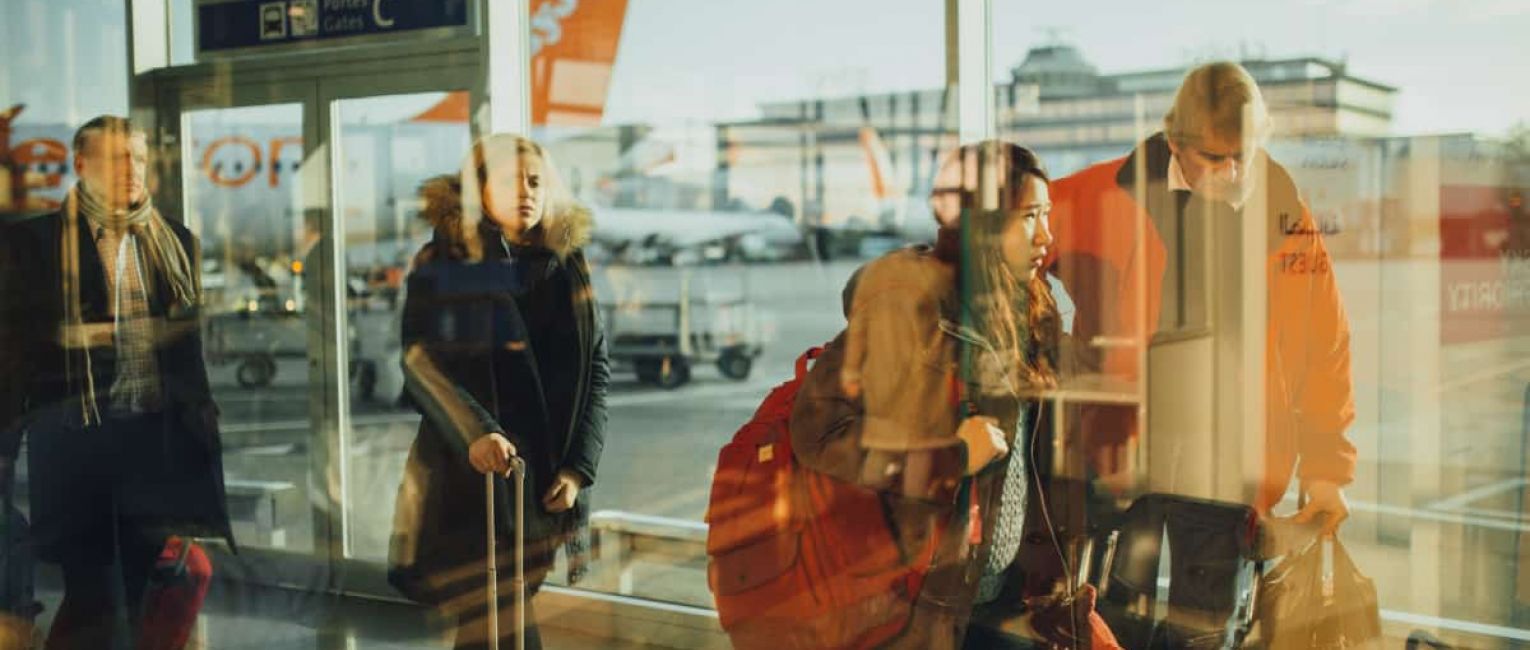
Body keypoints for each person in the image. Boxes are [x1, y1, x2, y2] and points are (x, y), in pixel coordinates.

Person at [1046, 61, 1356, 531]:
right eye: (1215, 157)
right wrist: (1039, 332)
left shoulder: (1286, 216)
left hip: (1233, 464)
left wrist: (1326, 471)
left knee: (1210, 607)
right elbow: (1004, 236)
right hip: (1117, 456)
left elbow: (1324, 349)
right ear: (1175, 142)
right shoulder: (1102, 196)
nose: (1232, 171)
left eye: (1243, 155)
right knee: (1110, 604)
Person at [790, 141, 1061, 649]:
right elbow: (818, 433)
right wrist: (951, 456)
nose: (1047, 235)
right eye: (1029, 217)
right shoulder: (910, 307)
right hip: (923, 606)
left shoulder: (1031, 309)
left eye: (1047, 214)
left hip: (1008, 598)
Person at [0, 115, 232, 649]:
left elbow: (187, 354)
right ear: (82, 166)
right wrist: (71, 339)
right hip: (75, 445)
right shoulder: (35, 243)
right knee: (95, 596)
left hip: (154, 448)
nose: (132, 169)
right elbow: (14, 349)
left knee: (140, 591)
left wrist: (202, 433)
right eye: (117, 158)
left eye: (140, 158)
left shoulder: (174, 240)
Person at [388, 134, 609, 650]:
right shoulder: (444, 262)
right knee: (494, 621)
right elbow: (421, 361)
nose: (526, 192)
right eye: (510, 181)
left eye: (536, 181)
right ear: (479, 189)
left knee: (496, 623)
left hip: (543, 479)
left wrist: (579, 467)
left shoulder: (568, 264)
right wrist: (477, 430)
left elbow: (596, 367)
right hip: (472, 476)